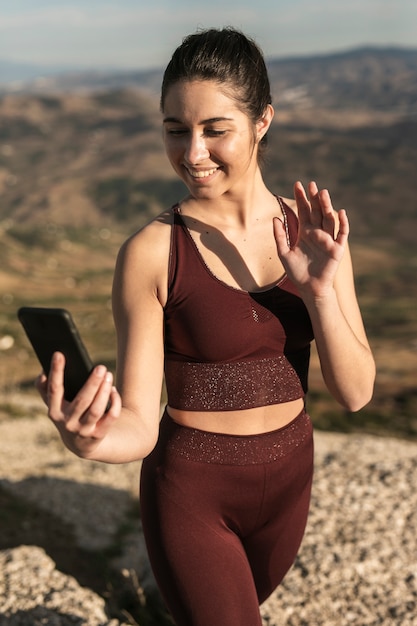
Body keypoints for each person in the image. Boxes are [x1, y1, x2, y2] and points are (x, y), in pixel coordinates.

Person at [36, 27, 375, 626]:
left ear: (262, 121)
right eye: (175, 130)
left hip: (292, 481)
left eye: (215, 129)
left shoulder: (313, 231)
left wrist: (322, 292)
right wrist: (86, 439)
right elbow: (140, 424)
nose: (193, 153)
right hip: (192, 493)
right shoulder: (151, 252)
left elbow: (355, 394)